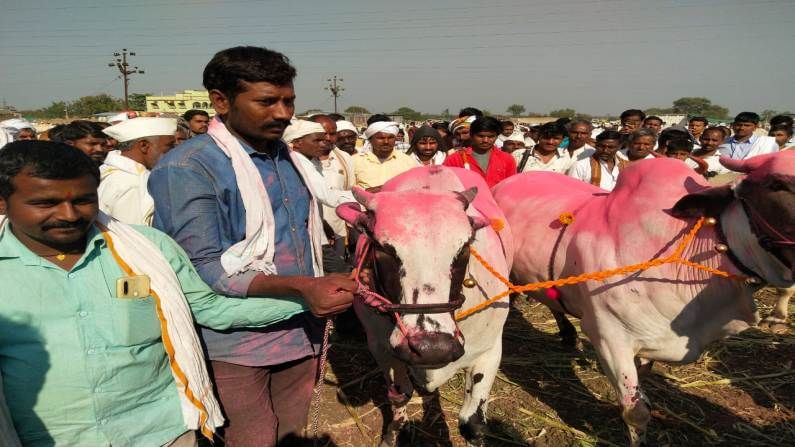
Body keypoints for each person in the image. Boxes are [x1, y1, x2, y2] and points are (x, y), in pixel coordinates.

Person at [0, 141, 322, 446]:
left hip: (160, 431)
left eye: (83, 200)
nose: (69, 215)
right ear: (3, 202)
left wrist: (306, 297)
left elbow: (209, 308)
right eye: (46, 203)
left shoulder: (147, 249)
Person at [148, 46, 356, 446]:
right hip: (234, 343)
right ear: (221, 101)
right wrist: (302, 286)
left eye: (288, 100)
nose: (282, 113)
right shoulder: (188, 168)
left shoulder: (289, 158)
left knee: (292, 433)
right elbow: (206, 268)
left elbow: (304, 235)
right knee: (253, 439)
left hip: (300, 326)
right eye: (267, 101)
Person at [98, 117, 177, 226]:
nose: (175, 150)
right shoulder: (132, 183)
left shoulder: (107, 170)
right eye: (170, 145)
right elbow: (136, 236)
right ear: (144, 146)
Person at [443, 116, 517, 186]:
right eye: (480, 136)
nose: (485, 140)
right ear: (471, 135)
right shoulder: (454, 159)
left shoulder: (507, 159)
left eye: (491, 136)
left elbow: (511, 187)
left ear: (497, 136)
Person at [352, 120, 416, 191]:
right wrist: (366, 193)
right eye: (381, 138)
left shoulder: (407, 161)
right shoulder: (355, 161)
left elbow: (414, 189)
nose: (386, 142)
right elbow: (348, 191)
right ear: (370, 140)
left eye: (390, 138)